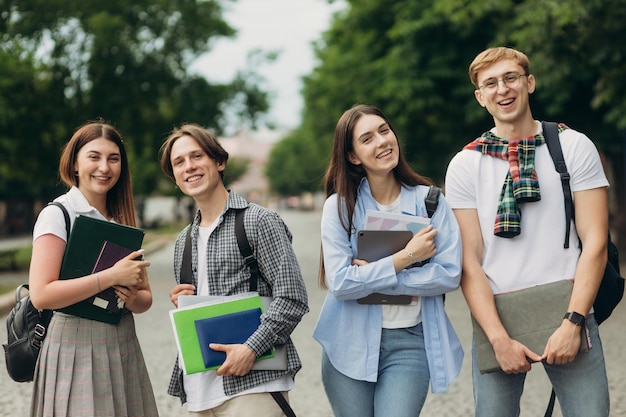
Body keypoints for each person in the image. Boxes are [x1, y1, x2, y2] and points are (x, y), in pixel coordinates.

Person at [444, 46, 610, 416]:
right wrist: (498, 338)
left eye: (510, 78)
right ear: (480, 97)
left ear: (529, 83)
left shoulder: (572, 145)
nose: (502, 89)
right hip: (496, 316)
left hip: (570, 307)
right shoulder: (465, 164)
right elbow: (468, 261)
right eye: (491, 83)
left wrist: (574, 321)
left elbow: (596, 241)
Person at [313, 104, 464, 417]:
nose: (381, 141)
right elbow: (341, 283)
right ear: (353, 156)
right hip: (348, 342)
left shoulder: (431, 202)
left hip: (411, 343)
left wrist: (374, 278)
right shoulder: (339, 208)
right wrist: (406, 257)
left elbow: (449, 274)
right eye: (367, 139)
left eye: (384, 131)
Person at [159, 124, 309, 416]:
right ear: (175, 178)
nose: (189, 166)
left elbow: (292, 298)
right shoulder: (182, 242)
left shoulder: (258, 221)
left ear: (219, 161)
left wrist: (251, 348)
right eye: (179, 162)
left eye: (196, 156)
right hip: (200, 394)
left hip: (254, 388)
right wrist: (188, 302)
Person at [28, 121, 159, 416]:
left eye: (114, 158)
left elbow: (144, 300)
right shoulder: (58, 214)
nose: (104, 167)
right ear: (75, 163)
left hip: (123, 343)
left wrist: (130, 293)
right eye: (94, 157)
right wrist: (109, 277)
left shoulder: (123, 217)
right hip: (74, 345)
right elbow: (41, 294)